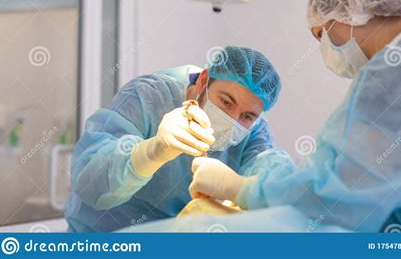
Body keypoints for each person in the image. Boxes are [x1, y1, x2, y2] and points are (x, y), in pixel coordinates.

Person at [189, 0, 401, 232]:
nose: (324, 48)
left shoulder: (398, 72)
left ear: (349, 9)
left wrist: (238, 187)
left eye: (321, 34)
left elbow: (337, 199)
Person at [65, 46, 281, 232]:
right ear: (203, 81)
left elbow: (277, 189)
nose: (232, 119)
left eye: (247, 116)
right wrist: (152, 151)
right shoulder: (149, 96)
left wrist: (239, 188)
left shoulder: (254, 132)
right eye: (226, 102)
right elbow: (89, 182)